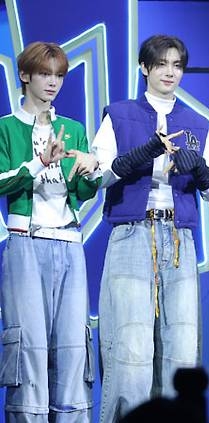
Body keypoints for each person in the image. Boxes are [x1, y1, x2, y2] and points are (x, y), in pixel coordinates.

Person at [91, 34, 209, 422]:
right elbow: (99, 176)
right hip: (133, 233)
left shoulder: (197, 122)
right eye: (161, 64)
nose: (169, 72)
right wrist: (144, 153)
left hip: (179, 237)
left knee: (181, 344)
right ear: (144, 68)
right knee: (130, 347)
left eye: (176, 65)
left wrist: (199, 167)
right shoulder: (119, 115)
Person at [0, 41, 100, 422]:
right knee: (28, 346)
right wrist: (40, 161)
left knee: (74, 346)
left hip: (70, 242)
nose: (52, 82)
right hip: (26, 242)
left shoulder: (72, 129)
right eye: (44, 74)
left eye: (58, 75)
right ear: (25, 75)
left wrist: (90, 170)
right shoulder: (6, 128)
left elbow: (83, 192)